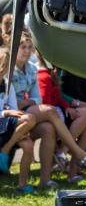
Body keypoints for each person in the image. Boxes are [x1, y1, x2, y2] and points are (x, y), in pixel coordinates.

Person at [12, 32, 86, 188]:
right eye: (23, 47)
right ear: (14, 49)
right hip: (14, 114)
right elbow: (14, 101)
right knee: (51, 111)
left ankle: (46, 180)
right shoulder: (11, 70)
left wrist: (26, 102)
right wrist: (24, 103)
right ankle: (78, 155)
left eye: (29, 47)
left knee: (50, 127)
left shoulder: (31, 70)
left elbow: (37, 99)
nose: (27, 51)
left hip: (31, 113)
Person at [0, 46, 37, 193]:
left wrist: (22, 129)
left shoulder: (7, 83)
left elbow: (15, 108)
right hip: (3, 121)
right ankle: (5, 150)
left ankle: (22, 185)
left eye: (7, 64)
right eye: (4, 64)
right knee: (29, 119)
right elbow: (9, 111)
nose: (6, 68)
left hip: (5, 125)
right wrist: (6, 113)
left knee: (28, 143)